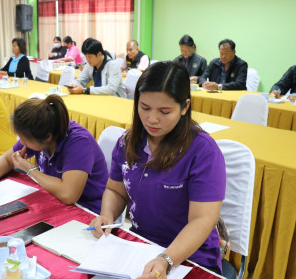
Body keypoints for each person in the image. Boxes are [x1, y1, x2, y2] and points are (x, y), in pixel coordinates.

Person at [90, 61, 226, 278]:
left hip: (190, 258)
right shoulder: (128, 142)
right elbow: (116, 190)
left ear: (185, 107)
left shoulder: (203, 152)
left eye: (164, 111)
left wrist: (166, 259)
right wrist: (107, 215)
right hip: (139, 246)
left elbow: (202, 220)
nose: (152, 119)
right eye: (144, 108)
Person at [0, 95, 108, 214]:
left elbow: (68, 194)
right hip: (54, 200)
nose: (22, 143)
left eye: (25, 140)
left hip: (88, 210)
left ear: (47, 137)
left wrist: (30, 170)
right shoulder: (40, 133)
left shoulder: (79, 143)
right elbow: (7, 159)